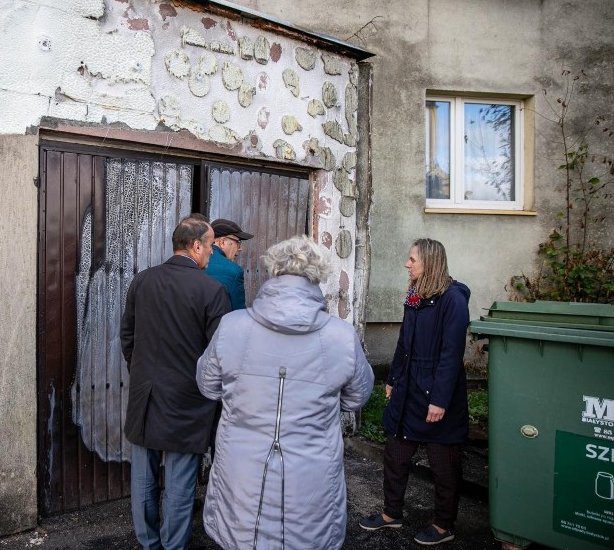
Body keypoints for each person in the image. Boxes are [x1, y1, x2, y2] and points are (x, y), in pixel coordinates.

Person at [196, 235, 374, 550]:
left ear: (273, 271)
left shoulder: (232, 327)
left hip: (242, 476)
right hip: (311, 476)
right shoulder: (342, 337)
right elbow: (356, 397)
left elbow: (208, 385)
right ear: (317, 275)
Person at [121, 215, 231, 550]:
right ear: (196, 246)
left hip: (145, 397)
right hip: (189, 401)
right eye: (211, 245)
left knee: (143, 479)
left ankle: (149, 543)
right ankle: (173, 546)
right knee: (181, 485)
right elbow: (220, 354)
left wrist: (141, 373)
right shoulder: (212, 290)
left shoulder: (142, 281)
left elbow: (128, 337)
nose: (213, 253)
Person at [359, 238, 471, 546]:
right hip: (408, 388)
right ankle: (390, 514)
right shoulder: (414, 295)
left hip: (437, 394)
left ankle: (443, 524)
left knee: (443, 464)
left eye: (412, 260)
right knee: (395, 456)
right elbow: (404, 344)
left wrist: (439, 400)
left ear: (429, 263)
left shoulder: (453, 300)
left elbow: (451, 355)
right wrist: (393, 378)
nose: (407, 264)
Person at [205, 219, 253, 310]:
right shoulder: (234, 271)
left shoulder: (194, 261)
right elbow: (238, 314)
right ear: (222, 242)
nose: (240, 248)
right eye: (238, 242)